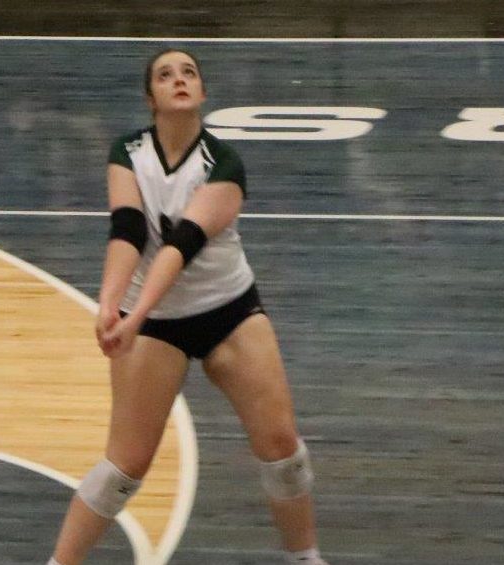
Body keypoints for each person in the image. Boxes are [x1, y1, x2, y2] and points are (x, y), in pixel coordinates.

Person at [47, 49, 328, 565]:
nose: (179, 80)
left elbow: (181, 245)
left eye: (189, 73)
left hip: (228, 311)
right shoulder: (127, 152)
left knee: (282, 448)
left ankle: (305, 558)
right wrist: (109, 304)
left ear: (202, 92)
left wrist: (131, 317)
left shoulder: (224, 163)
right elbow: (128, 231)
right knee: (123, 469)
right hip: (156, 326)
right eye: (165, 75)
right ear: (150, 97)